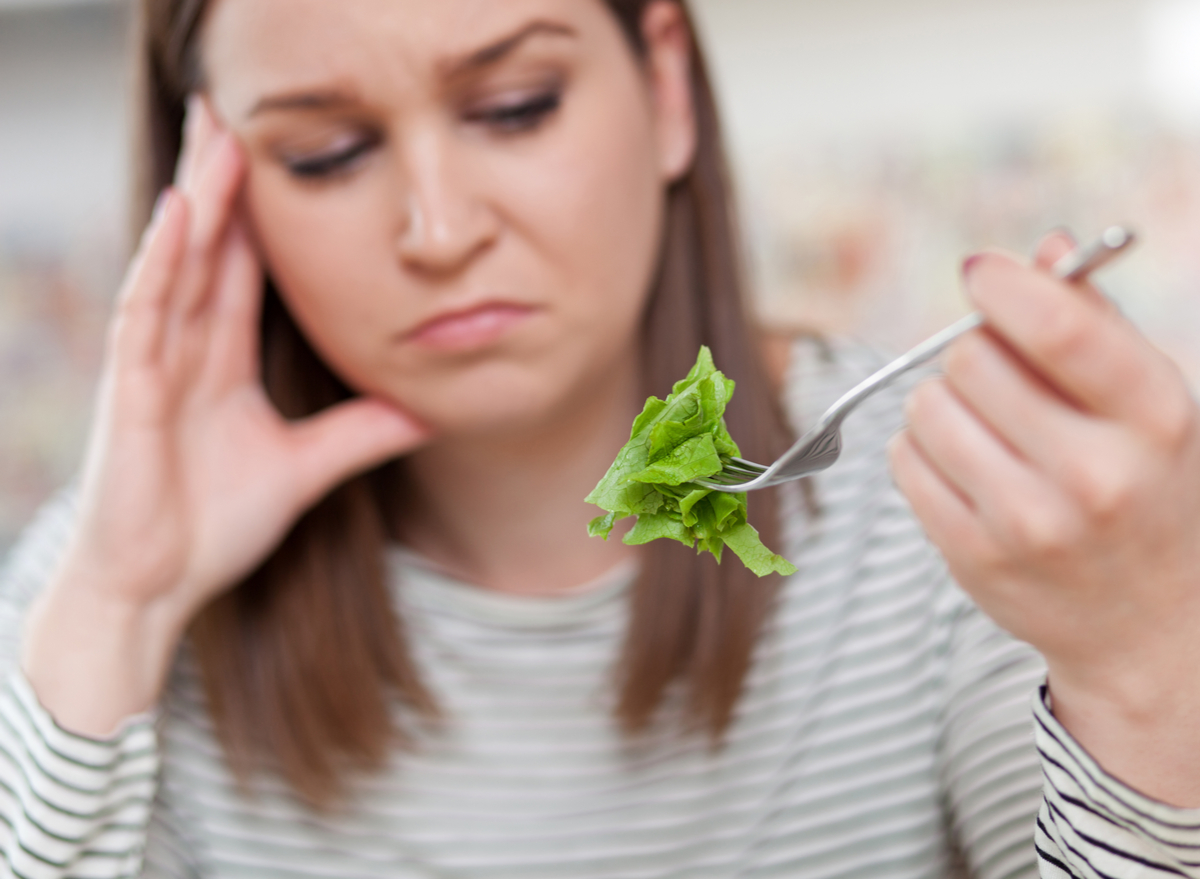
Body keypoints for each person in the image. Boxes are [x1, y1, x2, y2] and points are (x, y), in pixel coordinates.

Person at [1, 0, 1197, 876]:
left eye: (516, 107)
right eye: (328, 152)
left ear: (666, 85)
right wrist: (118, 604)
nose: (438, 226)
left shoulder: (953, 510)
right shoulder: (99, 589)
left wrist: (1148, 668)